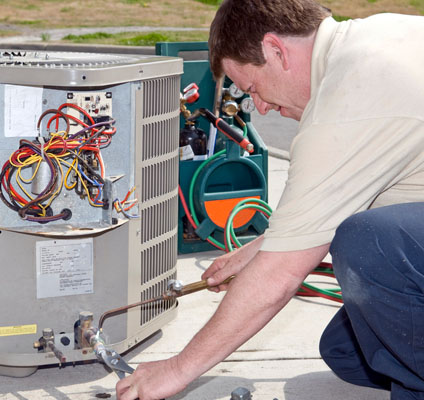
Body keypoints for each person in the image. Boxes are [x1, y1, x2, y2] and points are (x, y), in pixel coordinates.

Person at [116, 0, 424, 399]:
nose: (260, 108)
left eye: (253, 89)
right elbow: (345, 195)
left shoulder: (348, 104)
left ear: (276, 50)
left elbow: (280, 275)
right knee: (349, 351)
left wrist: (176, 370)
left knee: (369, 242)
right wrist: (259, 249)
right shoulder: (377, 37)